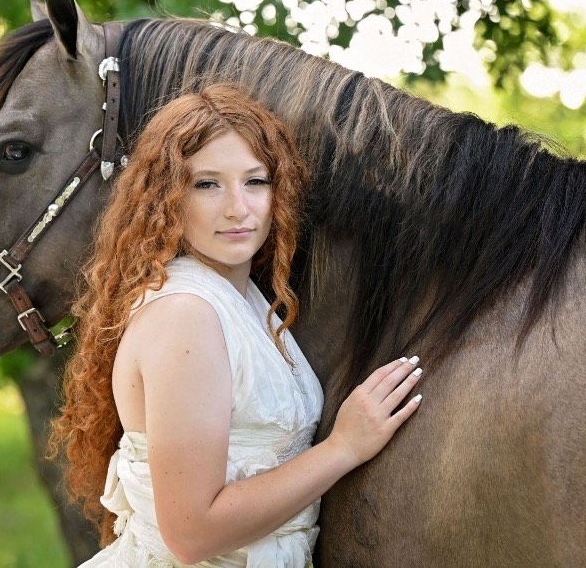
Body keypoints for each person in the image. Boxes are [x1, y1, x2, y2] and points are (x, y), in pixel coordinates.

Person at [49, 82, 423, 567]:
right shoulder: (186, 315)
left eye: (255, 181)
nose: (237, 208)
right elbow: (192, 534)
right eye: (207, 184)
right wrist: (344, 448)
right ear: (168, 199)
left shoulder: (241, 297)